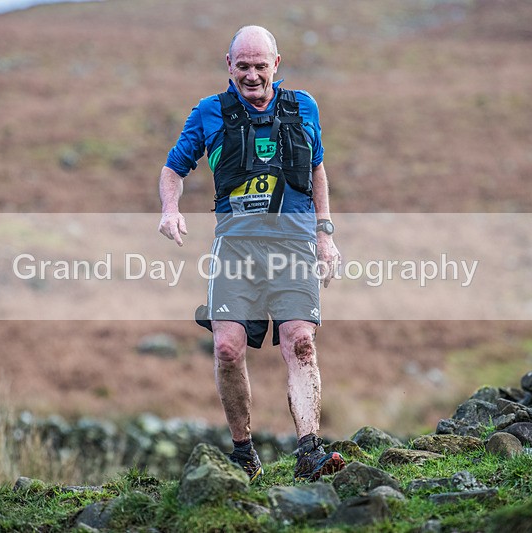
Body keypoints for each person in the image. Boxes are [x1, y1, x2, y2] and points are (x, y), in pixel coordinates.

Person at [158, 25, 344, 482]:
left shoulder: (303, 106)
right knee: (226, 347)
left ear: (276, 65)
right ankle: (244, 455)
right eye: (243, 66)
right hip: (235, 249)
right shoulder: (209, 112)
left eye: (261, 66)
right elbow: (172, 169)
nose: (252, 75)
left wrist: (325, 233)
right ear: (229, 65)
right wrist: (170, 209)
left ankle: (310, 452)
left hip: (294, 244)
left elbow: (317, 168)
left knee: (300, 341)